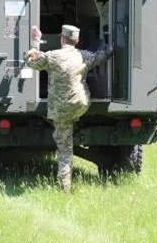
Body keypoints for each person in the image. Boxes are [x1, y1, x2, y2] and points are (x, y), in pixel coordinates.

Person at [26, 25, 112, 192]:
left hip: (60, 110)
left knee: (65, 149)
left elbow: (31, 61)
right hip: (81, 106)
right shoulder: (84, 56)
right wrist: (112, 45)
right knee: (82, 91)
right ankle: (77, 121)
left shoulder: (52, 56)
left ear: (61, 39)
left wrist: (36, 41)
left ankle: (65, 188)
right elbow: (103, 56)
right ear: (77, 40)